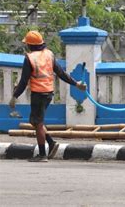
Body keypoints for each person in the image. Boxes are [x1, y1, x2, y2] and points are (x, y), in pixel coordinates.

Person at [8, 31, 87, 162]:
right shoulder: (49, 54)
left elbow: (23, 81)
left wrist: (14, 97)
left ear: (30, 44)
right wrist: (75, 83)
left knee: (38, 123)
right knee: (35, 121)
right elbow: (61, 73)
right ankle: (51, 143)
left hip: (38, 94)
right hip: (49, 93)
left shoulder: (30, 58)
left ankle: (42, 155)